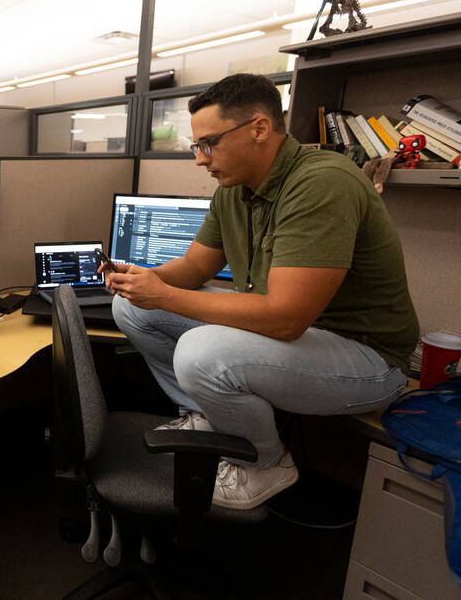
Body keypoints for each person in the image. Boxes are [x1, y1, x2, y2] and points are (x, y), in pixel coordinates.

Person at [103, 73, 418, 510]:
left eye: (208, 143)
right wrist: (141, 280)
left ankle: (268, 462)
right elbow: (196, 265)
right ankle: (205, 417)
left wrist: (167, 296)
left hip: (366, 357)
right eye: (197, 147)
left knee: (200, 351)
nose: (200, 159)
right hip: (297, 338)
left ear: (259, 129)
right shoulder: (234, 190)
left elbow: (287, 318)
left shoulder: (322, 183)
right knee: (132, 309)